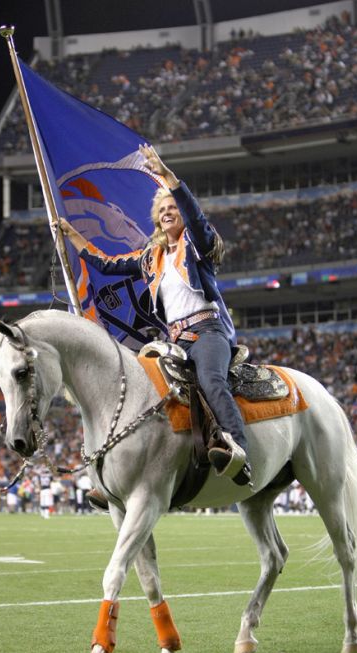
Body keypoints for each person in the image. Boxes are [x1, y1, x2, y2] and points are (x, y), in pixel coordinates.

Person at [57, 144, 251, 486]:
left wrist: (167, 178)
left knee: (210, 380)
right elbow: (106, 263)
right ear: (155, 217)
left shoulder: (197, 245)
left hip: (207, 333)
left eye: (172, 207)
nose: (167, 211)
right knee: (137, 389)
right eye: (162, 208)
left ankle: (238, 448)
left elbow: (197, 218)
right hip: (172, 341)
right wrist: (71, 235)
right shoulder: (151, 258)